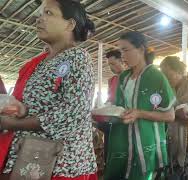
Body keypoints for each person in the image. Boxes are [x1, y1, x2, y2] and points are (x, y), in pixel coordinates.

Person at [0, 0, 97, 180]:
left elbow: (72, 114)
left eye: (48, 13)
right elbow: (44, 105)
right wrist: (23, 109)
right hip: (30, 158)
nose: (39, 18)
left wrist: (12, 124)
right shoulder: (42, 62)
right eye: (41, 13)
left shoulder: (78, 58)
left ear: (70, 24)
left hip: (61, 164)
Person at [103, 31, 176, 180]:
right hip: (123, 140)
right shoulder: (124, 77)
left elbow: (170, 115)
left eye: (126, 50)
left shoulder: (156, 76)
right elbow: (120, 107)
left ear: (141, 50)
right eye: (120, 50)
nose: (122, 56)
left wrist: (139, 113)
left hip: (146, 141)